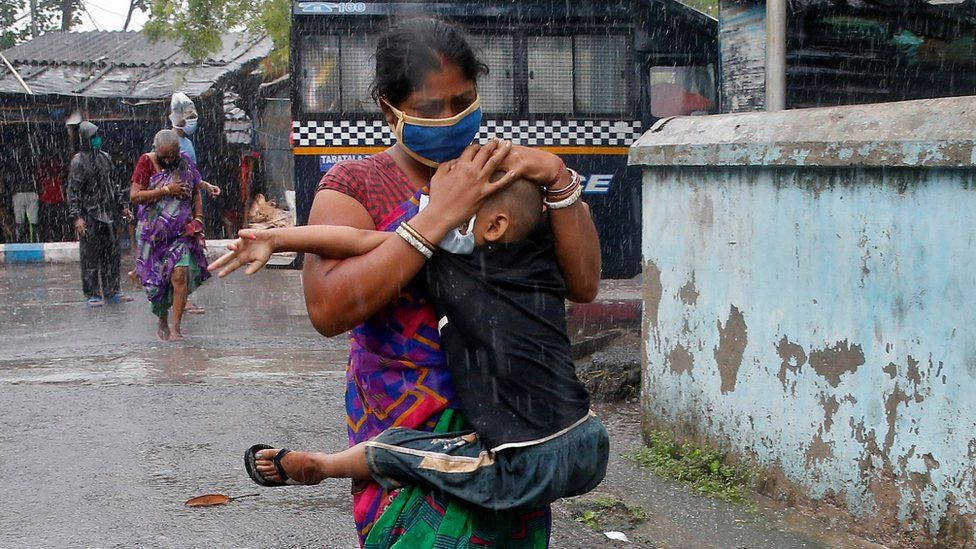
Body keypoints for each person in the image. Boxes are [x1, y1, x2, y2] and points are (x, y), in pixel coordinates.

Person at [215, 17, 601, 547]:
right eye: (430, 108)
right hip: (404, 436)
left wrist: (557, 178)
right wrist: (436, 218)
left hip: (505, 432)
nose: (451, 120)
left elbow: (581, 283)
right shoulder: (355, 186)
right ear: (389, 109)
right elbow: (328, 310)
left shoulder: (501, 178)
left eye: (463, 101)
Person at [212, 175, 610, 511]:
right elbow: (578, 213)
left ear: (493, 226)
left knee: (402, 449)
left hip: (528, 459)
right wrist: (278, 239)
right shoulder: (540, 253)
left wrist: (279, 241)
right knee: (449, 448)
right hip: (588, 438)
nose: (429, 217)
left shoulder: (446, 257)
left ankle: (323, 466)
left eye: (445, 207)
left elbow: (356, 240)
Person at [129, 130, 210, 341]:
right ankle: (162, 319)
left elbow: (195, 191)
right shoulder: (145, 162)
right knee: (158, 282)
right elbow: (135, 195)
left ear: (178, 152)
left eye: (172, 156)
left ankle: (176, 328)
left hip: (180, 233)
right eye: (164, 157)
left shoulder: (183, 163)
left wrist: (198, 219)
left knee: (179, 274)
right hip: (152, 235)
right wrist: (166, 190)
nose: (168, 161)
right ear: (156, 150)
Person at [66, 121, 131, 307]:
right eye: (94, 137)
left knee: (111, 254)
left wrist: (122, 206)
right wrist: (77, 216)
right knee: (90, 256)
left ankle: (112, 290)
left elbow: (114, 185)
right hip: (89, 214)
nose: (97, 140)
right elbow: (74, 191)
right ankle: (92, 293)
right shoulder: (78, 162)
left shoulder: (105, 158)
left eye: (98, 137)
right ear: (86, 139)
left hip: (108, 213)